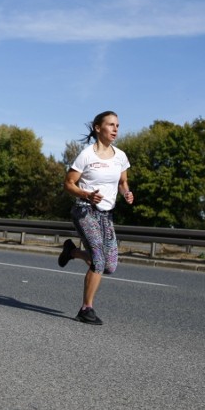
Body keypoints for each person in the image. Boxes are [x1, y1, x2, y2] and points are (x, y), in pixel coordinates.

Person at [58, 110, 134, 325]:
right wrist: (86, 194)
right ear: (98, 128)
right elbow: (68, 183)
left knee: (109, 266)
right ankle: (86, 308)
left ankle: (71, 252)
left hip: (106, 215)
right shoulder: (86, 155)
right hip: (85, 211)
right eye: (111, 125)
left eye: (117, 125)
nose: (115, 129)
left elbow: (122, 182)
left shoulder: (120, 156)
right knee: (98, 259)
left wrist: (126, 193)